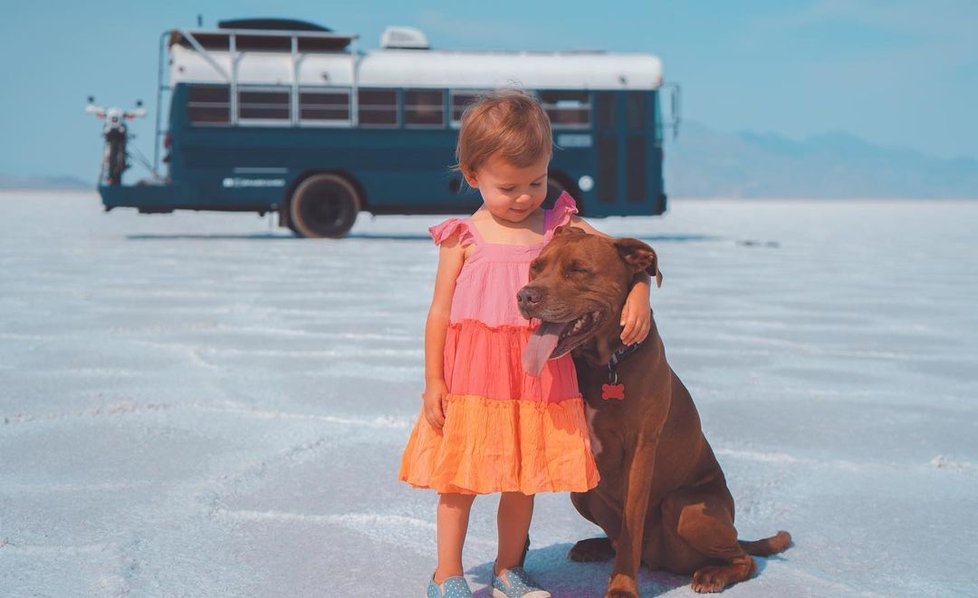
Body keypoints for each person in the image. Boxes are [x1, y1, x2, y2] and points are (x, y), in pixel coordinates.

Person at [399, 89, 651, 598]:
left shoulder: (559, 224)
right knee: (459, 482)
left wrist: (641, 293)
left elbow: (621, 257)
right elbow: (440, 313)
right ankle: (446, 573)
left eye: (536, 181)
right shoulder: (463, 236)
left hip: (536, 377)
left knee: (521, 481)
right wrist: (433, 381)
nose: (524, 197)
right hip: (474, 377)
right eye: (508, 186)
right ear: (473, 177)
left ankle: (508, 569)